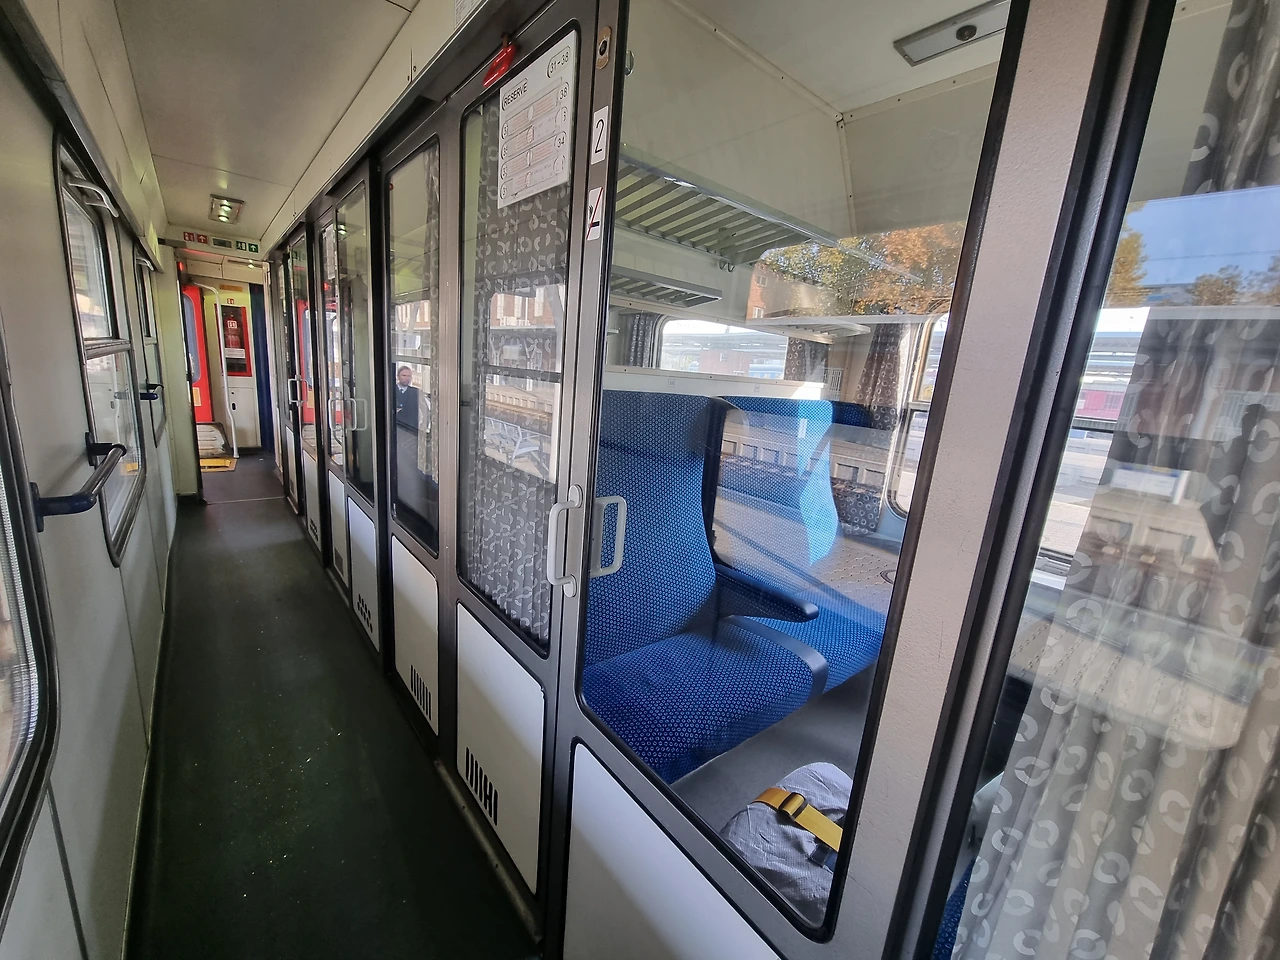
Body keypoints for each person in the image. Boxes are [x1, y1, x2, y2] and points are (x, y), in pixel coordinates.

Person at [394, 365, 419, 431]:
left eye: (409, 376)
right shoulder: (390, 390)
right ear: (398, 376)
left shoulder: (416, 392)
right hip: (394, 429)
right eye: (404, 375)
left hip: (411, 430)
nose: (407, 378)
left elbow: (425, 412)